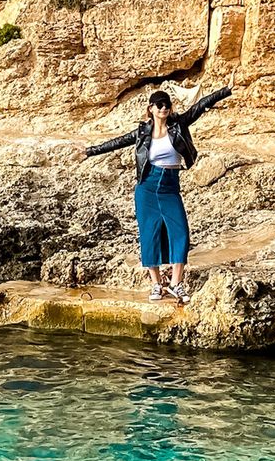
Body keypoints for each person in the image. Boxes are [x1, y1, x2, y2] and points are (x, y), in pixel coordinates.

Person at [80, 81, 233, 303]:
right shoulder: (143, 132)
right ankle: (156, 284)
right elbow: (117, 142)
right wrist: (89, 151)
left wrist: (225, 91)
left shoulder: (179, 124)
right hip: (147, 187)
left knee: (180, 232)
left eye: (166, 105)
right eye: (159, 105)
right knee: (149, 235)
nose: (163, 108)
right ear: (150, 108)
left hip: (170, 186)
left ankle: (176, 284)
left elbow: (200, 106)